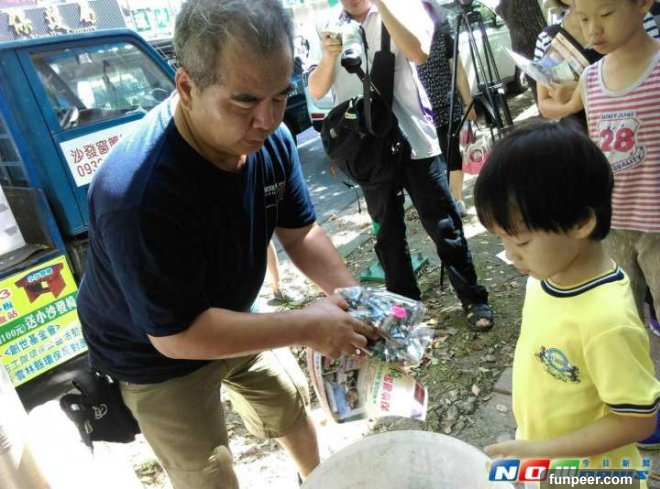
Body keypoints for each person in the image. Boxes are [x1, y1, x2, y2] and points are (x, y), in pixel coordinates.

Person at [75, 1, 378, 487]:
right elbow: (177, 336)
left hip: (231, 314)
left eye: (280, 96)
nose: (268, 119)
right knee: (207, 471)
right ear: (187, 87)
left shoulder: (270, 141)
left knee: (288, 405)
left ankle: (316, 479)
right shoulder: (136, 193)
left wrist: (357, 302)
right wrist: (306, 326)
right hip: (154, 353)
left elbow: (301, 233)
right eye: (244, 101)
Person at [476, 123, 660, 475]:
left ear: (580, 222)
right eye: (502, 240)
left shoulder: (607, 322)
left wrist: (542, 452)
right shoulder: (544, 278)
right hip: (548, 458)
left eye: (522, 241)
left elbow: (637, 421)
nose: (511, 255)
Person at [308, 0, 494, 331]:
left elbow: (418, 53)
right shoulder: (327, 25)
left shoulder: (400, 7)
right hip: (368, 147)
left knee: (443, 223)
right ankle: (406, 310)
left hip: (414, 139)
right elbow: (317, 89)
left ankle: (473, 298)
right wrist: (329, 56)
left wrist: (383, 6)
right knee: (388, 235)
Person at [534, 0, 658, 127]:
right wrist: (576, 101)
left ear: (643, 3)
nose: (593, 30)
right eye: (584, 19)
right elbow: (544, 103)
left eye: (606, 14)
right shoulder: (549, 38)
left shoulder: (634, 14)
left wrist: (584, 91)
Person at [417, 0, 477, 218]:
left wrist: (468, 103)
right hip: (418, 112)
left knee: (452, 153)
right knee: (429, 160)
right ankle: (440, 202)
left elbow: (458, 72)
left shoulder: (443, 37)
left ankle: (457, 199)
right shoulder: (403, 41)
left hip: (446, 106)